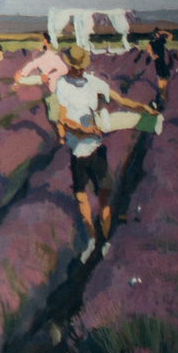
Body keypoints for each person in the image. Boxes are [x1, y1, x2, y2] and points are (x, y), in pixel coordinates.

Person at [55, 43, 157, 261]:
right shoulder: (62, 85)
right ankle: (91, 239)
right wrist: (81, 130)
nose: (79, 70)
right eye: (75, 67)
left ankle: (105, 240)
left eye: (81, 67)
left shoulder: (93, 82)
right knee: (81, 198)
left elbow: (120, 99)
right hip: (77, 151)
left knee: (105, 199)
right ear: (70, 65)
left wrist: (143, 107)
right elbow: (63, 119)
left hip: (95, 148)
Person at [15, 37, 71, 142]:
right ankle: (59, 136)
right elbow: (29, 68)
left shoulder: (52, 57)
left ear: (47, 43)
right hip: (46, 91)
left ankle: (61, 138)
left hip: (53, 90)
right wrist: (21, 77)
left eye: (42, 41)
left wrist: (50, 76)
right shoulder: (40, 58)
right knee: (52, 116)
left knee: (54, 116)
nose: (40, 44)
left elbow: (64, 70)